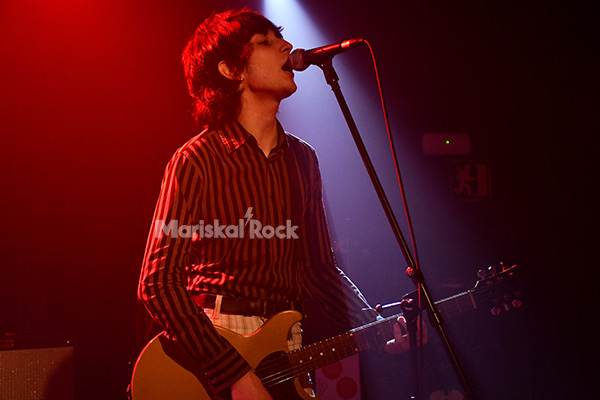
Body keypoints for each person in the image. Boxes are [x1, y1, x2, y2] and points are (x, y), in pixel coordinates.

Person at [138, 8, 421, 400]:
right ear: (231, 70)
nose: (287, 46)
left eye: (281, 37)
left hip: (287, 339)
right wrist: (234, 373)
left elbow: (319, 269)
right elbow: (157, 282)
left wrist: (372, 324)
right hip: (218, 342)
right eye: (266, 42)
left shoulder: (303, 159)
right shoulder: (196, 160)